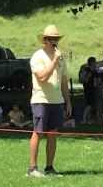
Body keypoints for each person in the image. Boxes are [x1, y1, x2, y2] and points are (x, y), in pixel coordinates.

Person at [28, 25, 71, 177]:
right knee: (38, 133)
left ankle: (49, 167)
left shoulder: (61, 58)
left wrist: (68, 101)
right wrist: (53, 61)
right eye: (51, 39)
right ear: (45, 40)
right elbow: (42, 77)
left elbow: (64, 81)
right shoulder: (37, 57)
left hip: (57, 101)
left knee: (53, 134)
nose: (54, 41)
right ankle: (32, 169)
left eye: (56, 39)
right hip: (41, 100)